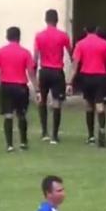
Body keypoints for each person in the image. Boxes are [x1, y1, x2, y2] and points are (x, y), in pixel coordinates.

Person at [0, 26, 37, 152]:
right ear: (19, 37)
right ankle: (23, 143)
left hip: (6, 86)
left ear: (7, 37)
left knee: (8, 115)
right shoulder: (25, 52)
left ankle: (9, 145)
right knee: (22, 115)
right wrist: (37, 89)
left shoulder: (1, 52)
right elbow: (31, 72)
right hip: (20, 87)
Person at [69, 26, 106, 147]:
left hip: (86, 77)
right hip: (101, 77)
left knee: (89, 105)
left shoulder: (80, 44)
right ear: (97, 30)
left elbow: (75, 64)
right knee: (100, 105)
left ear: (85, 30)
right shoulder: (104, 43)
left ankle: (91, 136)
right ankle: (102, 129)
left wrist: (70, 82)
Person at [33, 9, 72, 144]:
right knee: (56, 102)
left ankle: (44, 132)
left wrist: (34, 74)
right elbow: (71, 53)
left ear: (46, 19)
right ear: (57, 20)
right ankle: (54, 135)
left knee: (42, 100)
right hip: (57, 71)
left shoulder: (39, 36)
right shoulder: (63, 35)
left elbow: (35, 57)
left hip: (44, 70)